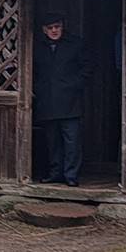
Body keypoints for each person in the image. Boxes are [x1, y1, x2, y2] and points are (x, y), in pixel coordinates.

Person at [33, 13, 91, 186]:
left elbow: (88, 67)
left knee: (72, 141)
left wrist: (74, 84)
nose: (54, 31)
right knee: (52, 141)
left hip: (70, 100)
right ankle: (55, 173)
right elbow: (31, 70)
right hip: (47, 99)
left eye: (57, 27)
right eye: (50, 28)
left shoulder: (75, 44)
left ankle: (71, 175)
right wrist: (37, 88)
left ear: (62, 27)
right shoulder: (37, 47)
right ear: (44, 30)